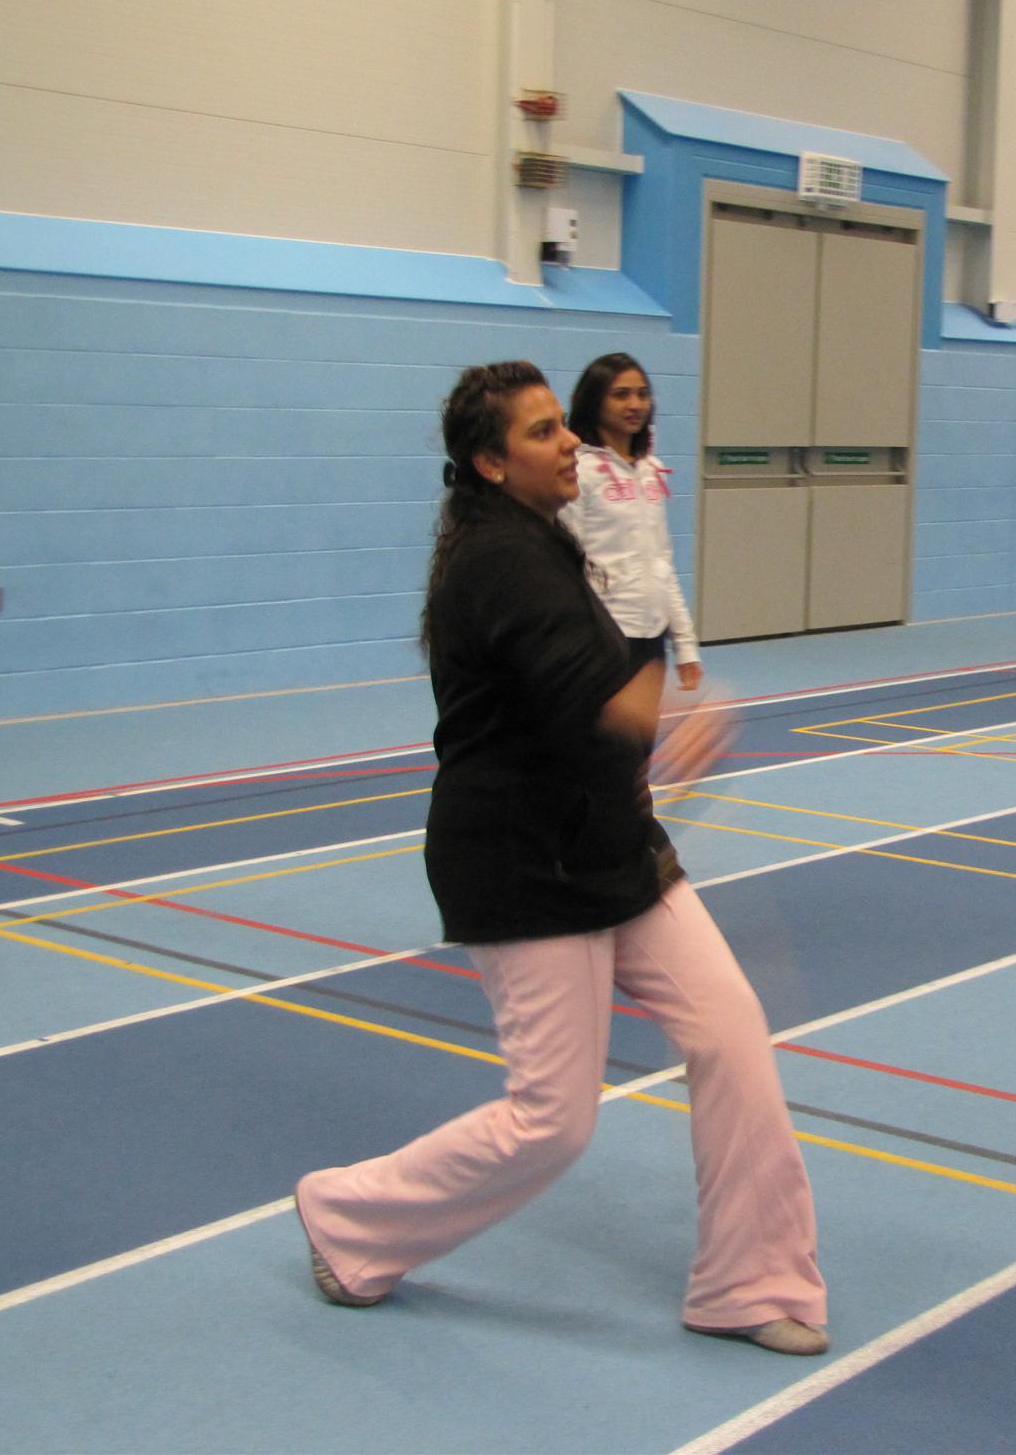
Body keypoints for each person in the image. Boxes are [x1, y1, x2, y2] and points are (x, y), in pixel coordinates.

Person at [295, 362, 828, 1355]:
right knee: (553, 1119)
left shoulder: (550, 535)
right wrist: (681, 712)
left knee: (731, 1035)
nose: (570, 444)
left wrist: (658, 719)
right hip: (519, 861)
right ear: (491, 463)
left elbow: (602, 699)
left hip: (609, 840)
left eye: (562, 427)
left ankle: (750, 1284)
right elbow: (602, 699)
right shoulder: (496, 561)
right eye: (543, 433)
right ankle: (349, 1220)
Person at [562, 353, 703, 691]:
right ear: (594, 402)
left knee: (639, 744)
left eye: (642, 394)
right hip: (601, 639)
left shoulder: (650, 469)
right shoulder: (579, 471)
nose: (635, 403)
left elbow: (661, 562)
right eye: (621, 394)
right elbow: (567, 564)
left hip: (650, 639)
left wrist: (685, 643)